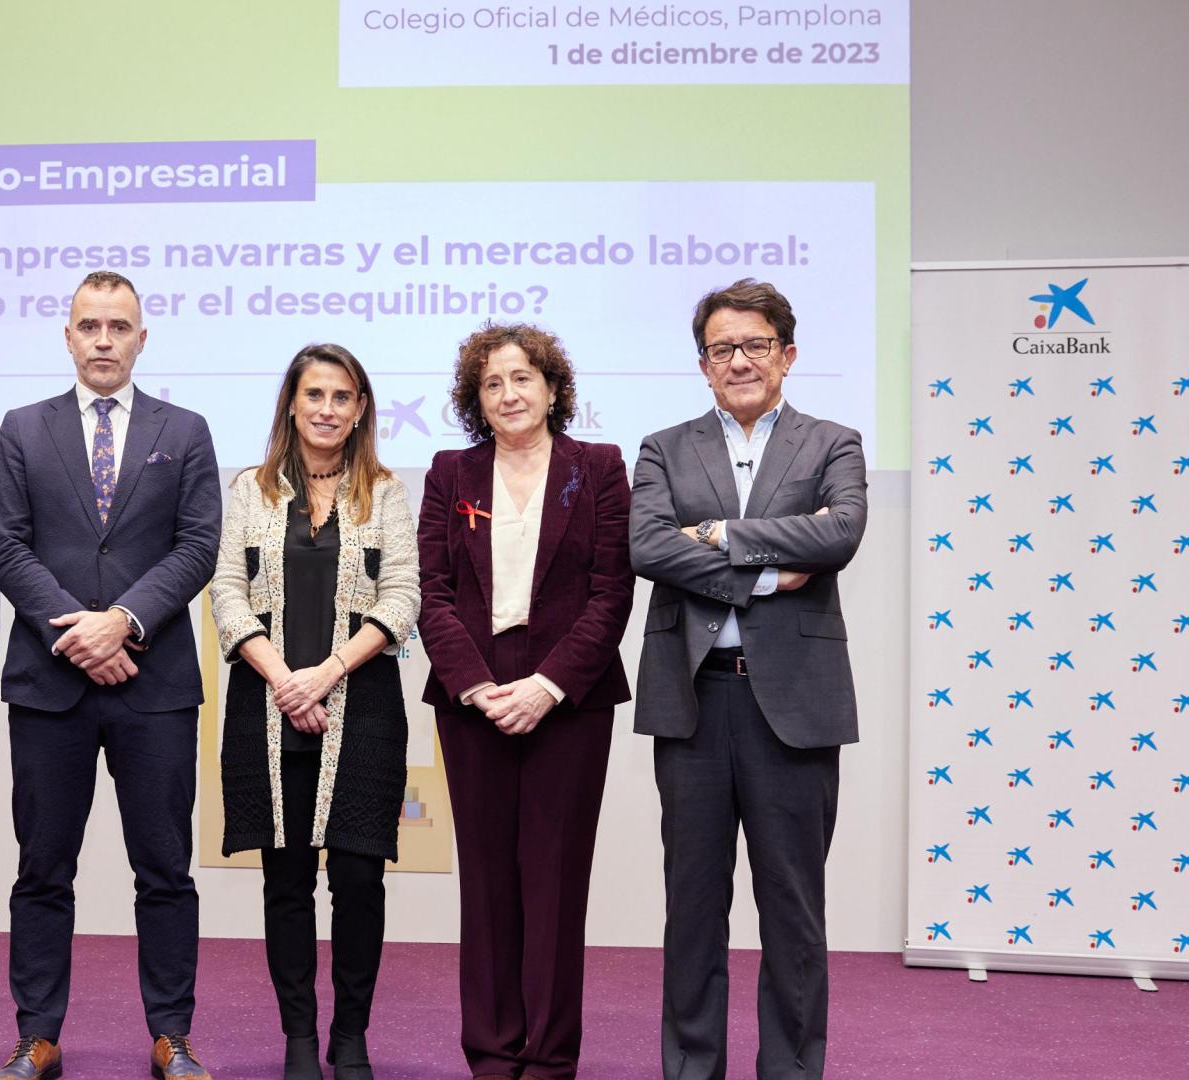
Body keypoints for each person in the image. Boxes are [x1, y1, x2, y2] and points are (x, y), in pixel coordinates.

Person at [0, 271, 222, 1080]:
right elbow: (6, 547)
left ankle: (172, 1037)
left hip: (155, 689)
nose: (104, 339)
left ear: (142, 338)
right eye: (90, 325)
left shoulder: (184, 431)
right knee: (42, 870)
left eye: (119, 326)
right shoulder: (21, 429)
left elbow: (197, 548)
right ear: (68, 335)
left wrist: (122, 622)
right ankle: (36, 1036)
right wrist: (78, 636)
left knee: (164, 870)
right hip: (51, 688)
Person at [630, 279, 867, 1080]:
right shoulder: (664, 447)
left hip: (794, 706)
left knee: (793, 914)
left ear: (787, 354)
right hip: (694, 700)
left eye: (755, 344)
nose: (739, 360)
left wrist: (723, 534)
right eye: (721, 348)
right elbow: (650, 547)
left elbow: (838, 534)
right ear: (702, 364)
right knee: (692, 910)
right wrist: (767, 574)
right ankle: (692, 1069)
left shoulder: (833, 441)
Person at [415, 323, 636, 1080]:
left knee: (554, 879)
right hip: (471, 691)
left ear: (551, 388)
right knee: (485, 880)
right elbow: (433, 592)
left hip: (567, 695)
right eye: (491, 383)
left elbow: (611, 595)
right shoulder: (450, 473)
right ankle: (491, 1052)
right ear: (475, 400)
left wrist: (545, 686)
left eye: (522, 379)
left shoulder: (599, 467)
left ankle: (547, 1057)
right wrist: (476, 684)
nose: (509, 394)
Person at [208, 344, 421, 1080]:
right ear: (291, 405)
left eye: (343, 396)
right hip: (267, 712)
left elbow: (403, 597)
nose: (327, 409)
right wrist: (283, 680)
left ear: (361, 408)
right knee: (287, 881)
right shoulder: (252, 490)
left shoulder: (385, 493)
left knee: (360, 880)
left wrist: (326, 673)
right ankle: (299, 1038)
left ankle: (350, 1036)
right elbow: (227, 595)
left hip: (361, 709)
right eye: (315, 395)